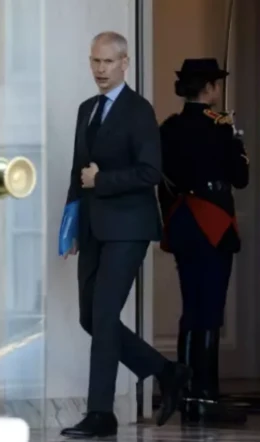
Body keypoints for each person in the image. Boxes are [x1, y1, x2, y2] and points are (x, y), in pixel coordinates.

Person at [60, 32, 192, 439]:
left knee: (102, 316)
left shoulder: (138, 110)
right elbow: (77, 170)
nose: (100, 69)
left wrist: (102, 181)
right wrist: (71, 225)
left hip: (129, 228)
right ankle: (166, 371)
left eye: (107, 62)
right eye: (94, 61)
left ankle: (101, 414)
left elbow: (150, 172)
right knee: (89, 317)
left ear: (125, 63)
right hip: (94, 229)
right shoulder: (87, 109)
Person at [157, 58, 250, 424]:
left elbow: (163, 179)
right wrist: (236, 137)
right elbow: (240, 177)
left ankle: (189, 397)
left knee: (191, 309)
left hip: (182, 221)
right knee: (209, 311)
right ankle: (205, 399)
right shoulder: (221, 127)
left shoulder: (170, 128)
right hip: (211, 223)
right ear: (210, 88)